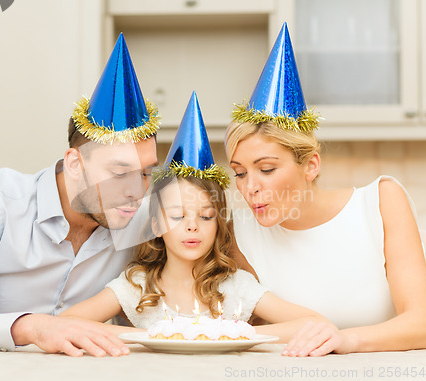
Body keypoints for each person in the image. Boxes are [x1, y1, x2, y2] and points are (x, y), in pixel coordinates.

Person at [0, 34, 160, 357]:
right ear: (74, 163)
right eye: (119, 173)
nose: (136, 192)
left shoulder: (141, 222)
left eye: (146, 173)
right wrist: (31, 327)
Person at [225, 23, 426, 356]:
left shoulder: (381, 202)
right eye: (239, 173)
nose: (249, 188)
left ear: (311, 165)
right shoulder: (240, 233)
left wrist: (345, 340)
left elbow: (422, 325)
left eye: (266, 169)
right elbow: (248, 331)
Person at [60, 92, 331, 346]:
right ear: (156, 224)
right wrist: (149, 336)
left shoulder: (235, 287)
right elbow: (66, 323)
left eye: (205, 215)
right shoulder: (137, 287)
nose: (192, 225)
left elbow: (314, 324)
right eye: (177, 215)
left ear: (219, 225)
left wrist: (226, 333)